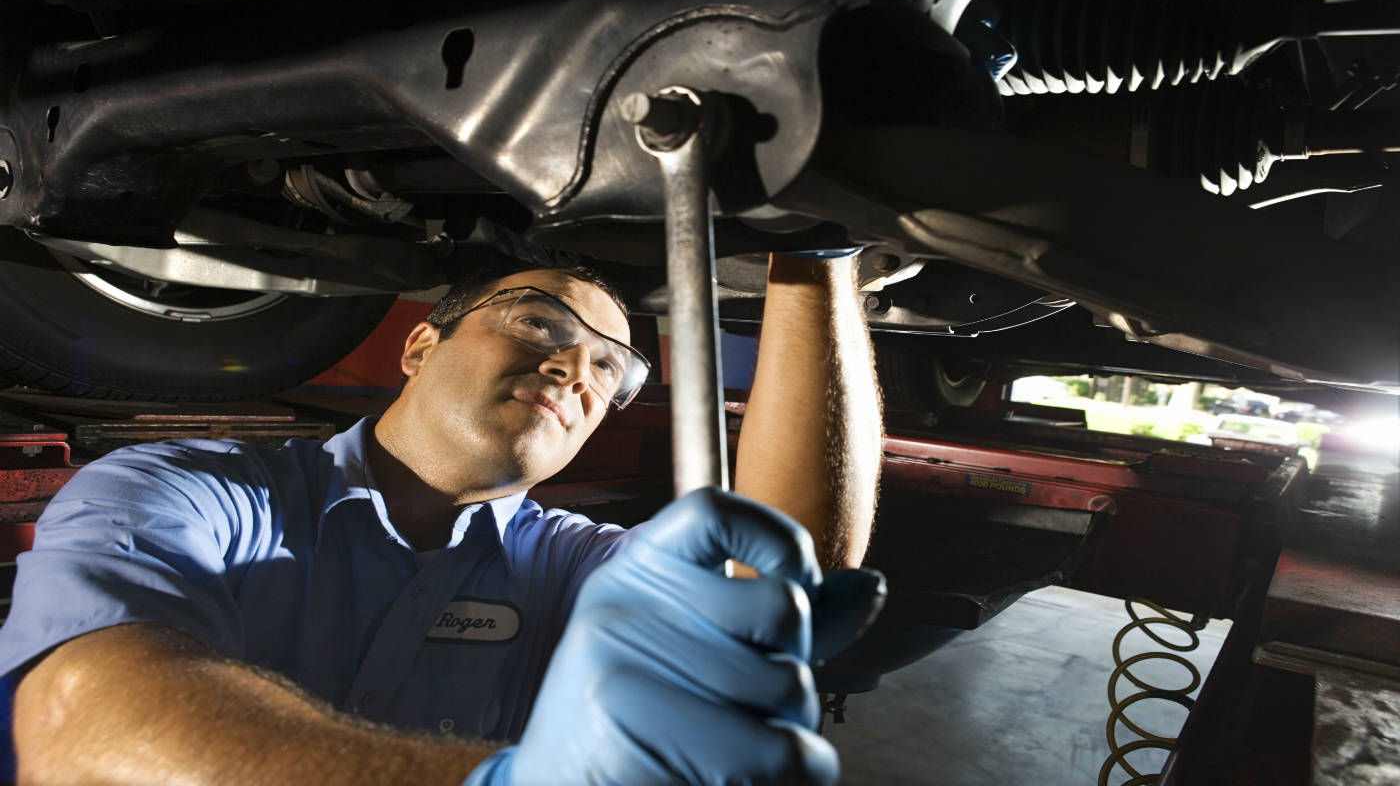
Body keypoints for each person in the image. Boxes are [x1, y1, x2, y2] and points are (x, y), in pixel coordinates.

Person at [0, 252, 884, 785]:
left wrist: (816, 254)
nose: (579, 370)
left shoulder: (573, 572)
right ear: (421, 344)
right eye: (541, 322)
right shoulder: (188, 492)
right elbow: (77, 728)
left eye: (611, 369)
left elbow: (769, 577)